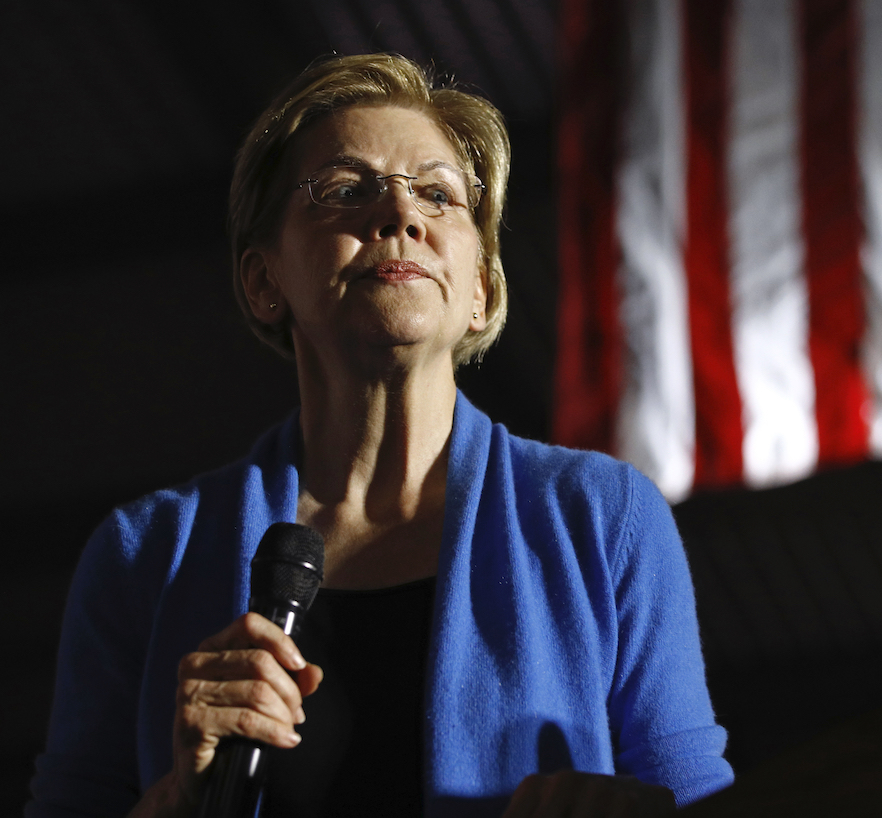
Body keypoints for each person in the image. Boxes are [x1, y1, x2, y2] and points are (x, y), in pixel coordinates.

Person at [26, 53, 733, 817]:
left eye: (436, 193)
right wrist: (176, 800)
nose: (401, 217)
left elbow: (700, 798)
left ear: (480, 290)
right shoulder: (145, 554)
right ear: (264, 281)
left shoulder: (603, 516)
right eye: (343, 190)